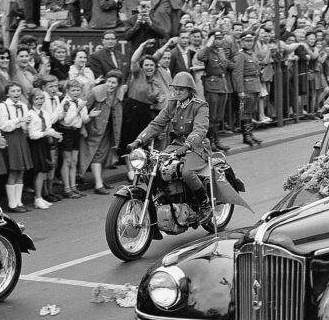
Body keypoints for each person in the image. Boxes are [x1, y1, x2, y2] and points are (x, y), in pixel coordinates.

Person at [127, 71, 211, 207]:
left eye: (181, 90)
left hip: (197, 147)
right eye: (175, 89)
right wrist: (139, 141)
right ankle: (164, 198)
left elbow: (200, 129)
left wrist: (188, 145)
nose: (177, 93)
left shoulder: (200, 106)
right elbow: (157, 124)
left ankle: (204, 202)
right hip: (176, 145)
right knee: (151, 169)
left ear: (189, 90)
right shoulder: (172, 104)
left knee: (187, 173)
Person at [80, 69, 124, 194]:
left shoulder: (119, 92)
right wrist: (83, 127)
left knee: (105, 155)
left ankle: (100, 180)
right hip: (95, 130)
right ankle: (98, 184)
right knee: (98, 155)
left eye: (113, 83)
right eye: (108, 81)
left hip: (110, 129)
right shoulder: (95, 92)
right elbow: (83, 108)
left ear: (118, 84)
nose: (110, 85)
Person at [0, 81, 34, 213]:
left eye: (18, 91)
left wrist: (26, 123)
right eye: (13, 91)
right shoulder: (3, 106)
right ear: (7, 93)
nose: (16, 93)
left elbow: (25, 125)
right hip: (11, 138)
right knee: (14, 170)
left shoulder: (23, 105)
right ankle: (12, 204)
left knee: (21, 170)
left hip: (21, 137)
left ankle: (19, 201)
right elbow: (4, 126)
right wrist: (19, 120)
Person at [196, 31, 234, 151]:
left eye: (220, 38)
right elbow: (200, 56)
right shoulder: (208, 51)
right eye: (216, 38)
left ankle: (216, 140)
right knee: (212, 115)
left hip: (223, 85)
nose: (219, 41)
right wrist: (208, 45)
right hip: (212, 85)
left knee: (218, 116)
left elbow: (228, 65)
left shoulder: (221, 51)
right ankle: (210, 141)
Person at [57, 78, 90, 198]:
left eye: (78, 90)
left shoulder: (80, 101)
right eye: (73, 90)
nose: (76, 92)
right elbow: (67, 120)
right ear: (68, 90)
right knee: (67, 161)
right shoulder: (66, 103)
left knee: (74, 161)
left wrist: (90, 116)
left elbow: (84, 119)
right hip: (67, 132)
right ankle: (67, 188)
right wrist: (78, 109)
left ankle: (73, 186)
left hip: (76, 132)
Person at [230, 31, 264, 147]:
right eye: (247, 41)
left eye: (251, 41)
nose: (249, 43)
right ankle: (246, 136)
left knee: (250, 111)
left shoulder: (251, 54)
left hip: (254, 86)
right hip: (246, 87)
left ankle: (250, 134)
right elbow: (237, 74)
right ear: (242, 42)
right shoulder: (240, 55)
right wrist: (240, 90)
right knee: (244, 112)